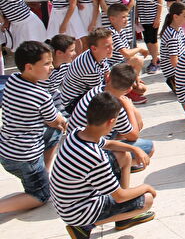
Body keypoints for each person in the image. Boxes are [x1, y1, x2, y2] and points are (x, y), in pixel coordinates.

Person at [50, 92, 156, 239]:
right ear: (111, 122)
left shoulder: (78, 133)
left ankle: (123, 218)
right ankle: (84, 226)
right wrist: (146, 187)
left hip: (67, 203)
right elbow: (119, 196)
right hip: (78, 212)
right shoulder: (94, 156)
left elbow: (108, 143)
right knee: (147, 199)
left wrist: (134, 149)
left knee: (122, 155)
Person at [0, 41, 66, 214]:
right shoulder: (40, 95)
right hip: (25, 158)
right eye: (46, 64)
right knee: (41, 195)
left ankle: (44, 173)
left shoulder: (13, 79)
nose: (51, 67)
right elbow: (55, 121)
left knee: (53, 134)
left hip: (7, 149)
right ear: (29, 67)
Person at [67, 63, 154, 161]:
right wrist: (130, 107)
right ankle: (119, 164)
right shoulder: (113, 106)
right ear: (129, 89)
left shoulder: (97, 90)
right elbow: (134, 135)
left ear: (108, 78)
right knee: (149, 147)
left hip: (74, 141)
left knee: (125, 128)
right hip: (91, 150)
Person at [59, 28, 113, 113]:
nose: (112, 48)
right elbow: (99, 94)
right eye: (107, 46)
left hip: (84, 93)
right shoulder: (90, 68)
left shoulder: (97, 54)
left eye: (111, 45)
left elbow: (107, 74)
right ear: (94, 48)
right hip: (72, 103)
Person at [133, 0, 163, 74]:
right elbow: (137, 2)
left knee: (153, 39)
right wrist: (136, 16)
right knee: (147, 39)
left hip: (152, 16)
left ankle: (155, 62)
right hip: (143, 17)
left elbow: (159, 1)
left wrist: (157, 17)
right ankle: (155, 59)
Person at [159, 2, 185, 93]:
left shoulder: (179, 29)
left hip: (180, 68)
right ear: (175, 17)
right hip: (175, 74)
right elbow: (174, 62)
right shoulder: (172, 36)